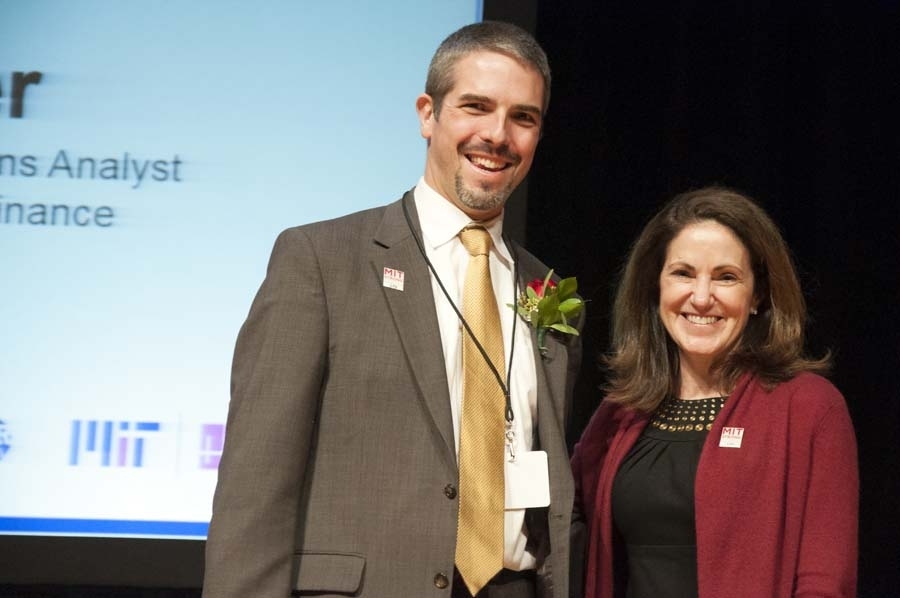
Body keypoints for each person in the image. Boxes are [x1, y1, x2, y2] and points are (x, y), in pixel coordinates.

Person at [202, 21, 583, 598]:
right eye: (476, 107)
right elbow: (255, 482)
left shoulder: (545, 289)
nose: (497, 135)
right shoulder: (321, 260)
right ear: (428, 114)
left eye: (522, 117)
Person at [571, 186, 858, 598]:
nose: (702, 297)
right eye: (683, 274)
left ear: (758, 295)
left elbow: (825, 583)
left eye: (726, 277)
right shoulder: (620, 411)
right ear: (655, 287)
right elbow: (563, 521)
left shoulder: (811, 407)